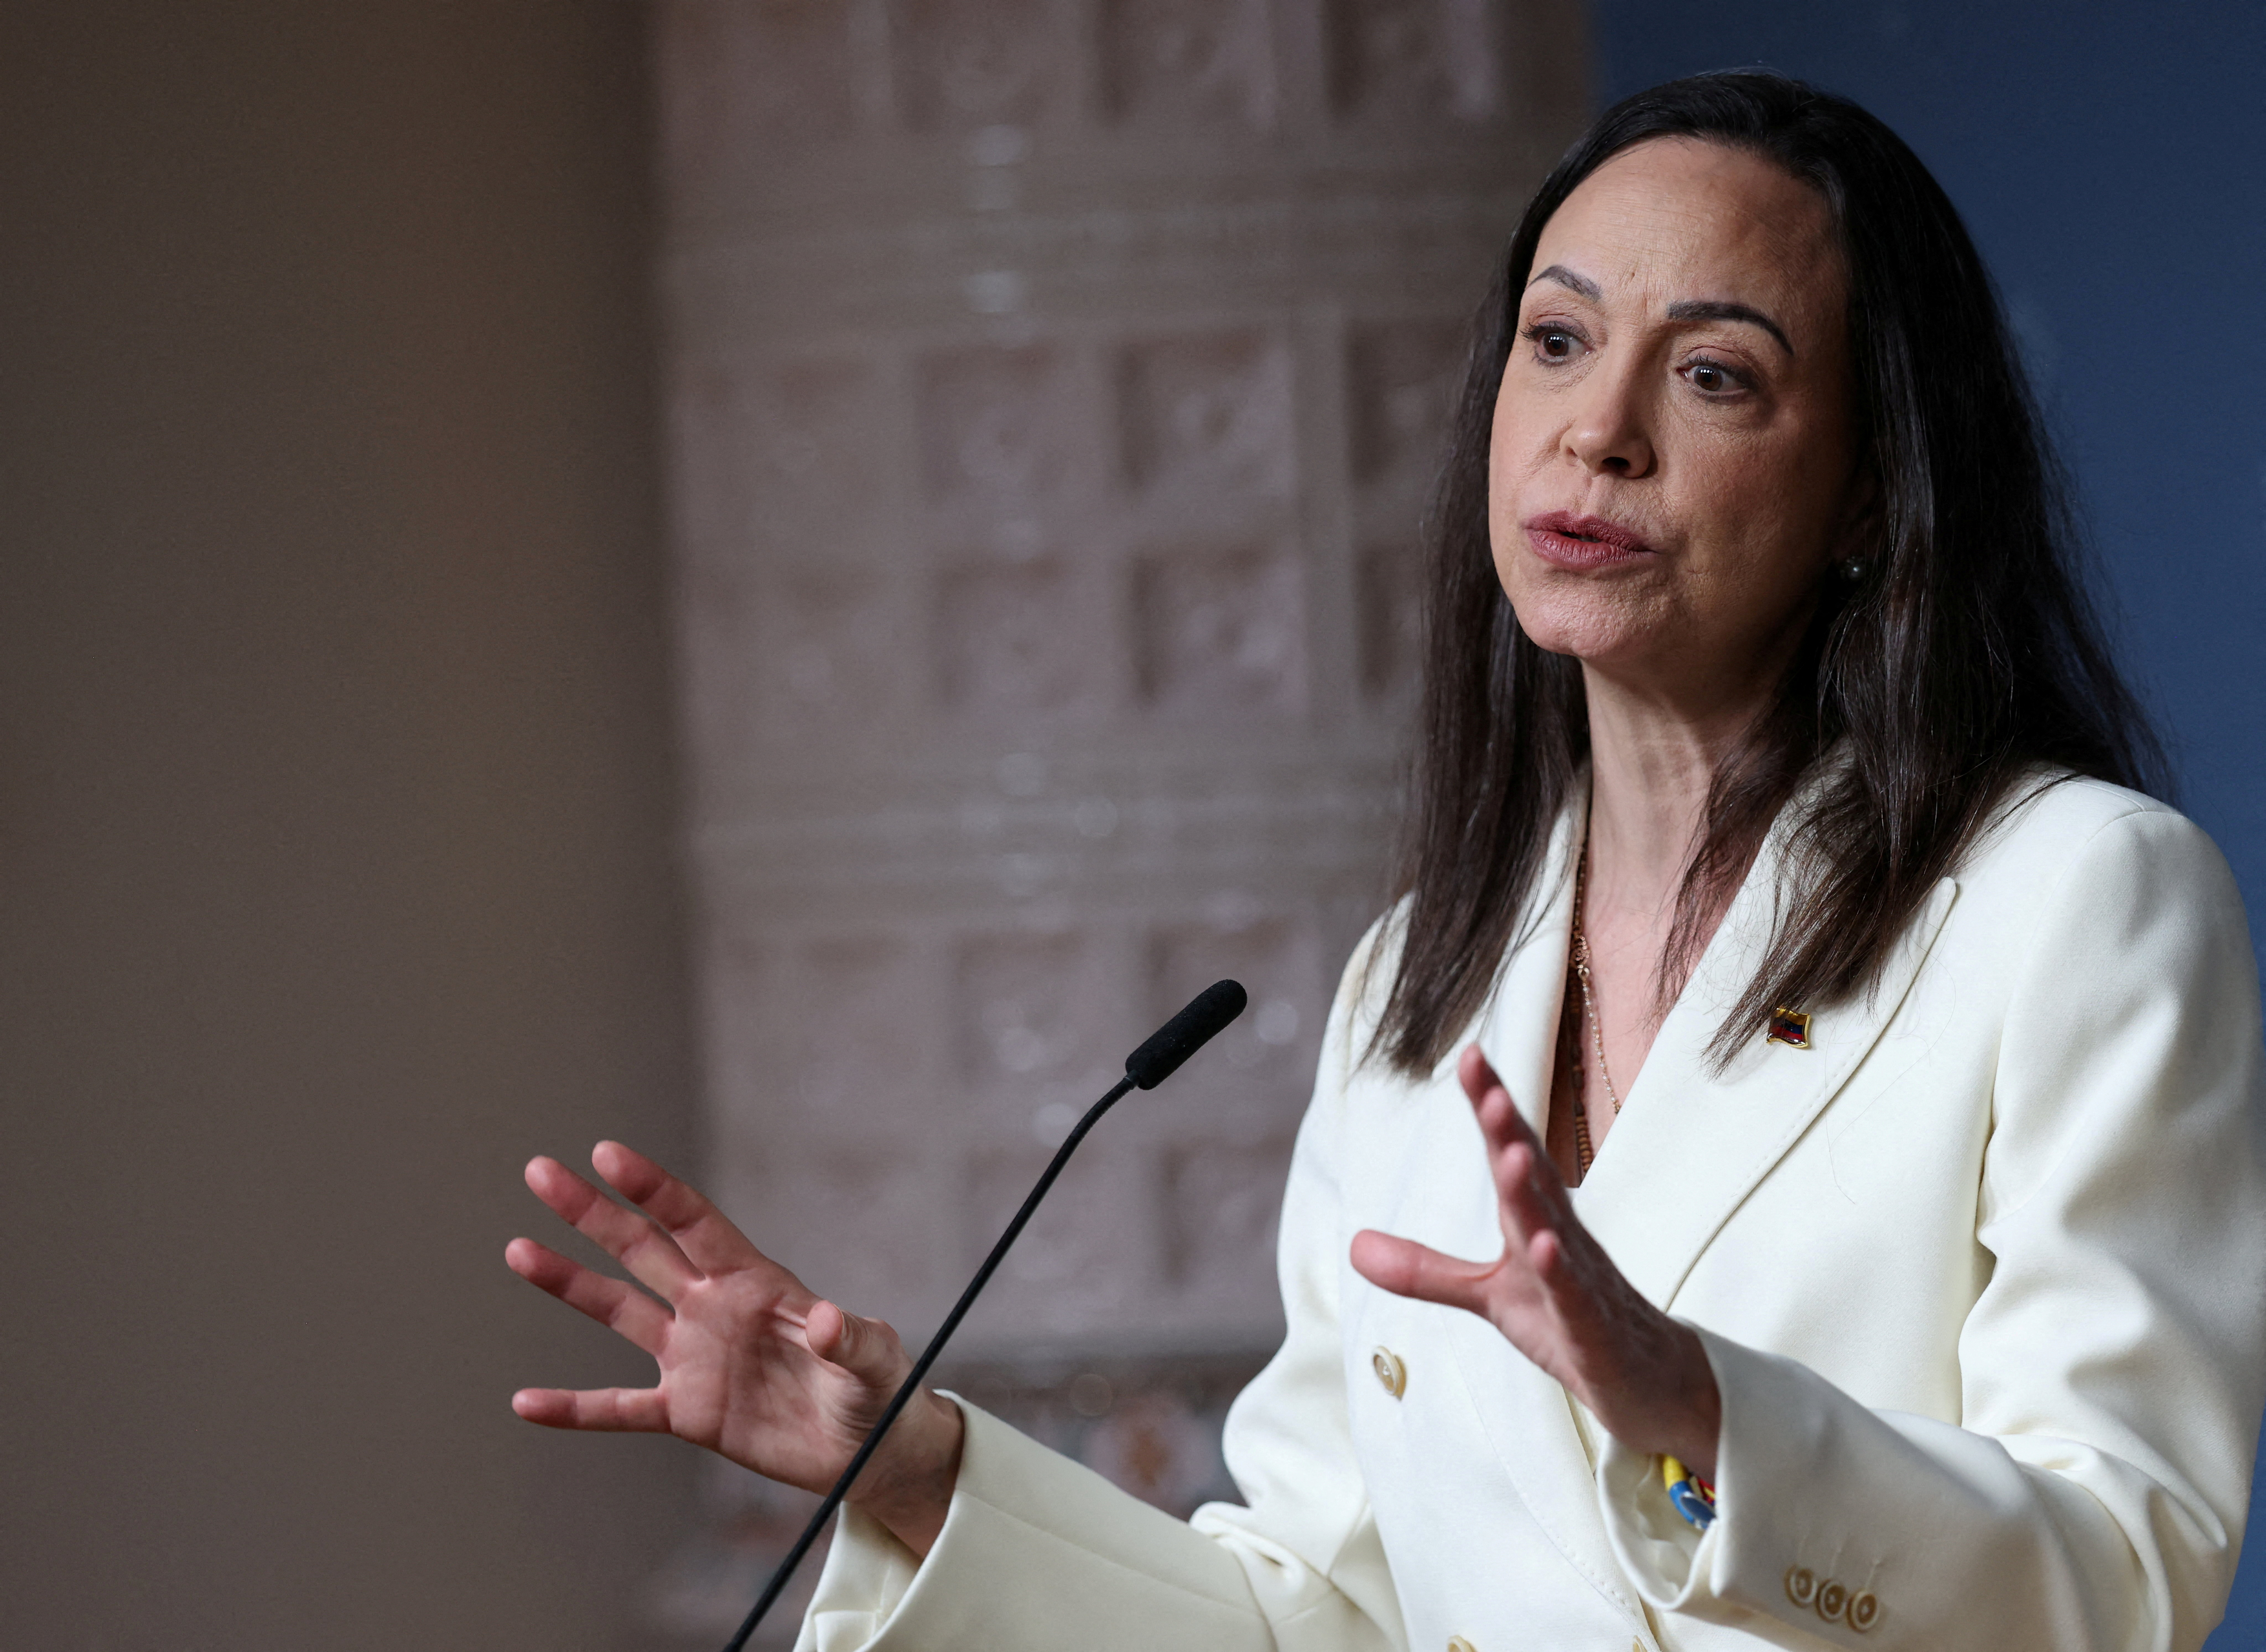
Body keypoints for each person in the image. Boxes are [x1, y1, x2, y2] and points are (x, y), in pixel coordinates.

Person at [505, 72, 2266, 1651]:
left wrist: (1701, 1420)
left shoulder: (2076, 902)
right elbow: (1315, 1618)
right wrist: (908, 1469)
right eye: (1558, 340)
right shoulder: (1420, 980)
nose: (1601, 429)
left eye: (1713, 372)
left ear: (1878, 489)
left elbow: (2121, 1576)